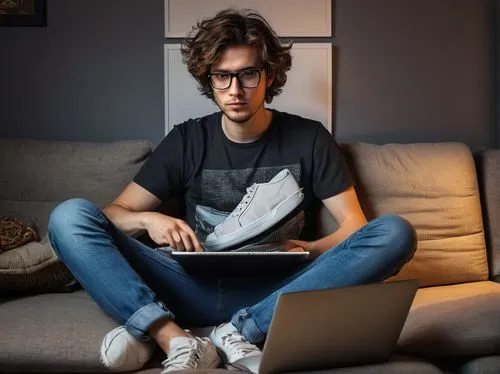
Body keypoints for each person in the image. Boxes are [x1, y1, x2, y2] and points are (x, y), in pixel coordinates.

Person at [48, 8, 416, 373]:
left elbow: (355, 224)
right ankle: (173, 338)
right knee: (69, 216)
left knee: (395, 232)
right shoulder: (187, 139)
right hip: (186, 284)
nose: (235, 90)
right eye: (222, 77)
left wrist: (313, 248)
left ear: (269, 76)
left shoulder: (309, 137)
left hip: (278, 291)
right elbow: (112, 215)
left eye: (247, 75)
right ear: (209, 80)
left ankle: (239, 330)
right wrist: (150, 219)